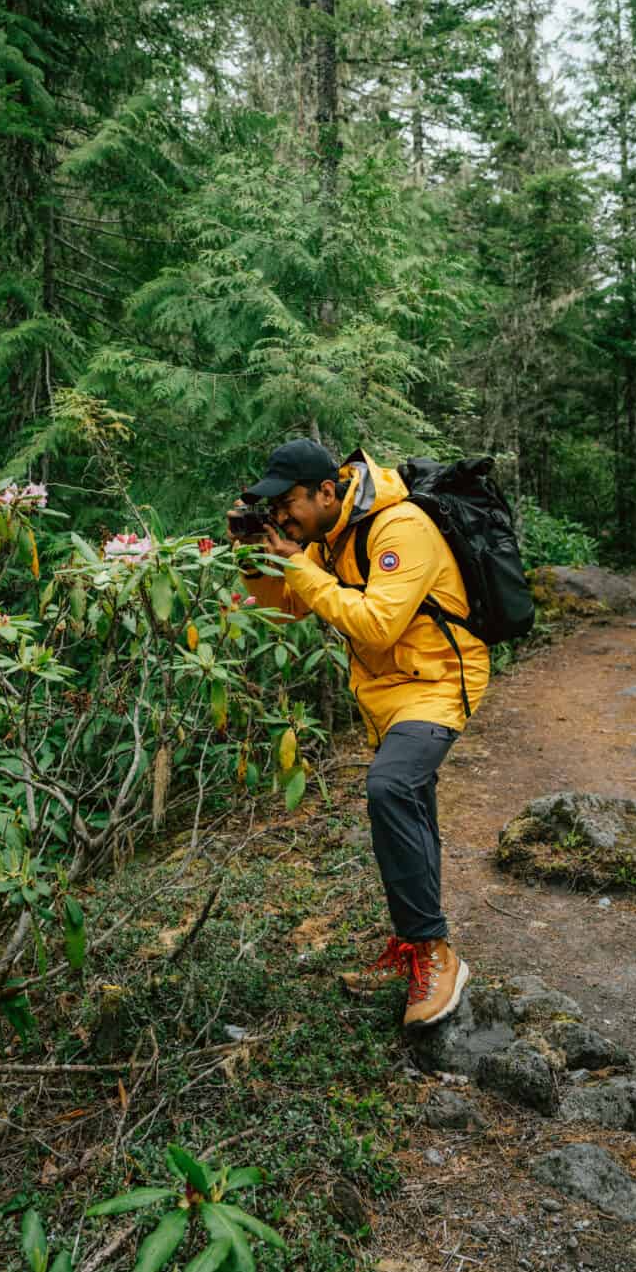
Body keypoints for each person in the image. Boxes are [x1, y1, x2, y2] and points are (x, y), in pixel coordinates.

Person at [228, 438, 490, 1028]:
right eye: (272, 509)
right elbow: (283, 608)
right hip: (388, 693)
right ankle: (410, 948)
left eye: (287, 503)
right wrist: (255, 556)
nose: (281, 516)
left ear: (327, 491)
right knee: (409, 804)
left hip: (439, 681)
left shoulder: (401, 527)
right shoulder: (330, 535)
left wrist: (296, 562)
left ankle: (434, 953)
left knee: (391, 787)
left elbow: (375, 627)